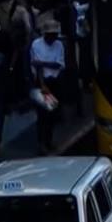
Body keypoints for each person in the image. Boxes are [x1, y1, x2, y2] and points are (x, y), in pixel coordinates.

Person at [30, 19, 65, 153]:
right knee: (42, 115)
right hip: (42, 82)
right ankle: (41, 143)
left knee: (52, 114)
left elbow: (59, 64)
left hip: (54, 82)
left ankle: (49, 141)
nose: (53, 37)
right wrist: (42, 85)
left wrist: (43, 63)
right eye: (51, 34)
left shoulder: (59, 45)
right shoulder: (36, 44)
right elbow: (37, 67)